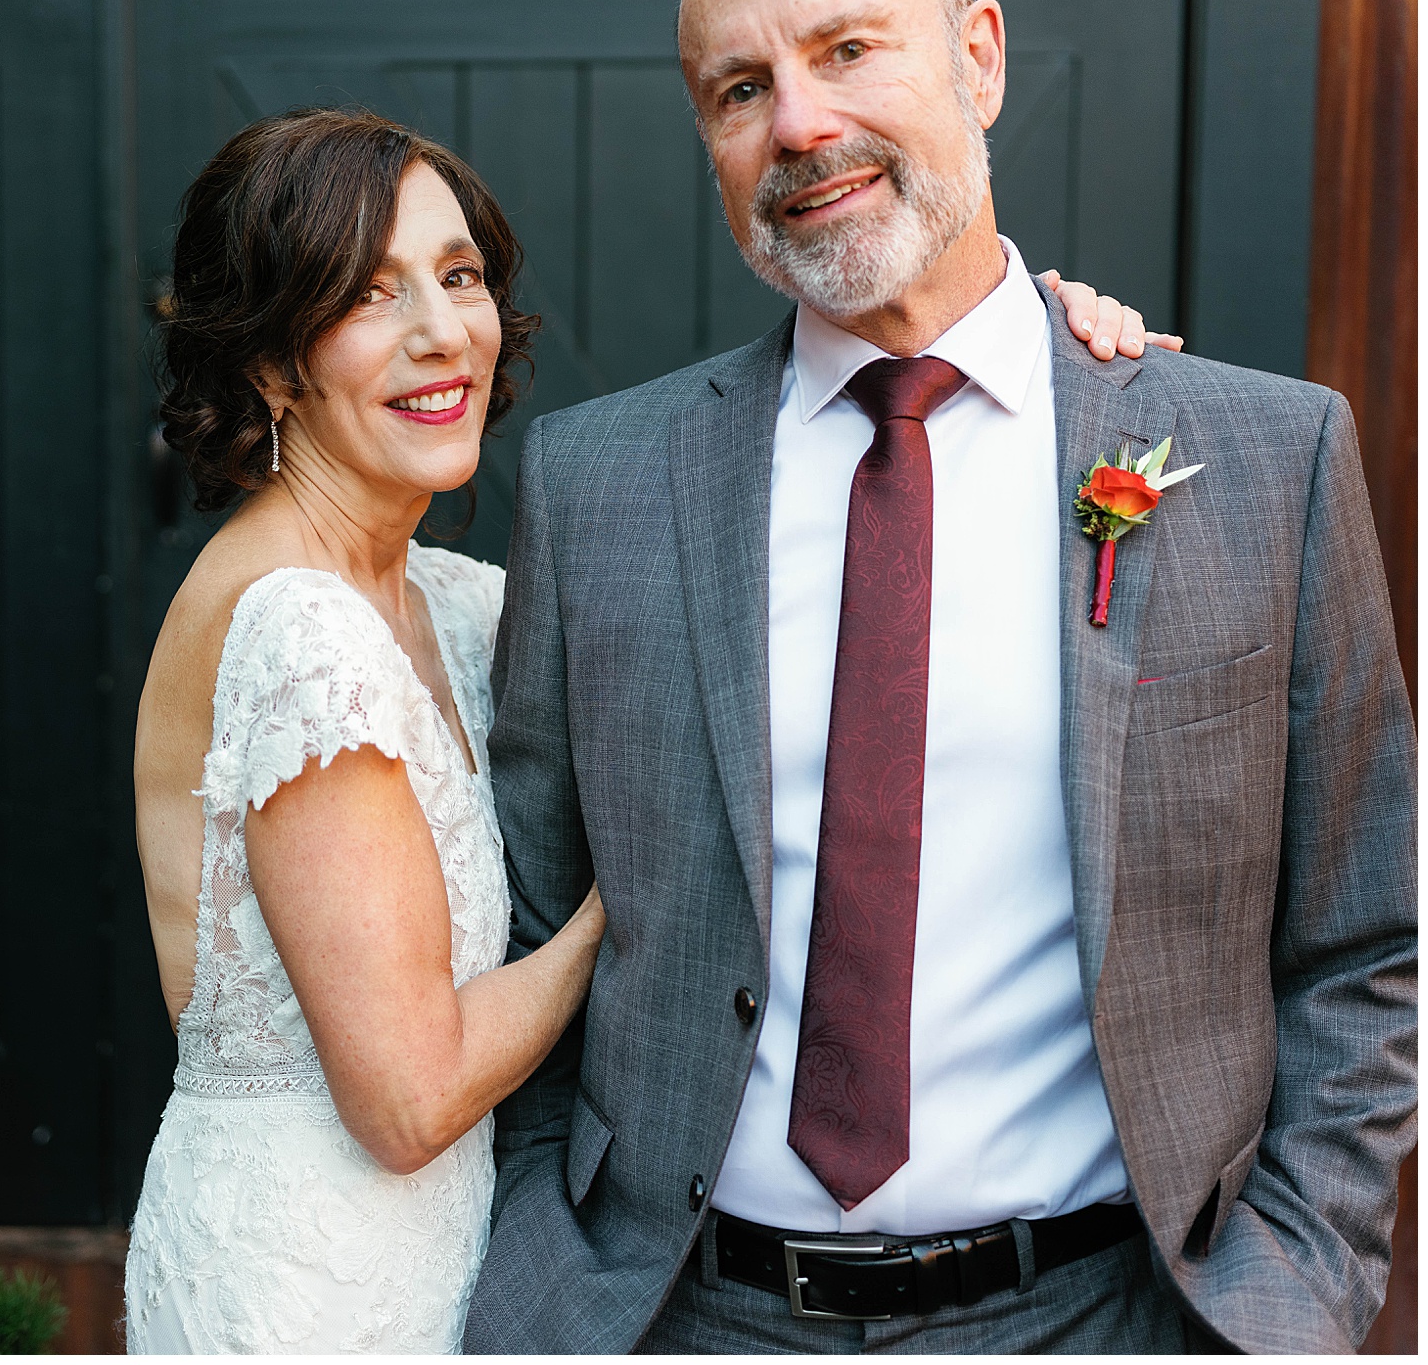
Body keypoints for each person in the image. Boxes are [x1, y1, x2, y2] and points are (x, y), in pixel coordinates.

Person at [462, 0, 1418, 1355]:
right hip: (683, 1314)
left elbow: (1364, 933)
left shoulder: (1260, 462)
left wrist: (1291, 1299)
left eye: (849, 50)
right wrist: (548, 1278)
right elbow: (524, 919)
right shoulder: (597, 487)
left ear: (978, 57)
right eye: (739, 87)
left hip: (1114, 1312)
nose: (797, 123)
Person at [124, 106, 1176, 1353]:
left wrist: (1011, 329)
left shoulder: (454, 603)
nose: (440, 332)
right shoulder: (297, 624)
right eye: (366, 294)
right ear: (269, 358)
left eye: (458, 276)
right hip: (310, 1283)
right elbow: (407, 1098)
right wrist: (641, 891)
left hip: (459, 1259)